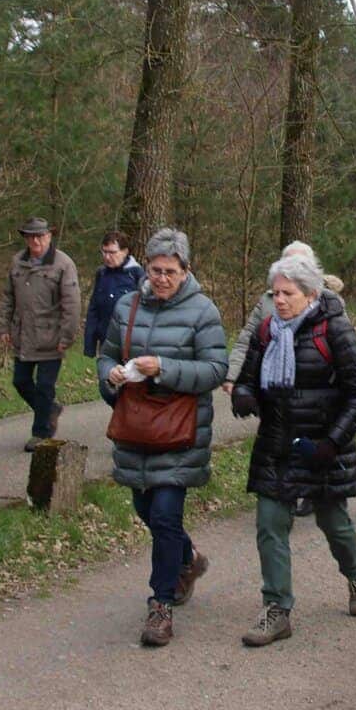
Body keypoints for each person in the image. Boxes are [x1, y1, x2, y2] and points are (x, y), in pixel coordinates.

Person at [229, 251, 356, 646]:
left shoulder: (335, 330)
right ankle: (276, 609)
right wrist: (243, 393)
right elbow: (248, 376)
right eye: (275, 293)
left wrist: (332, 442)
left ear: (310, 294)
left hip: (321, 447)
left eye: (287, 293)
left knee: (334, 523)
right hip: (276, 445)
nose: (278, 301)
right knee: (270, 525)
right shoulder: (267, 330)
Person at [97, 228, 228, 648]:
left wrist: (164, 369)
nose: (162, 278)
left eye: (171, 271)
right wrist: (110, 377)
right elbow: (106, 354)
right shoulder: (126, 306)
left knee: (166, 514)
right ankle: (188, 559)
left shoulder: (203, 310)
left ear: (186, 270)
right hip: (135, 430)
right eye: (155, 270)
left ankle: (160, 605)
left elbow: (214, 370)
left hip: (179, 431)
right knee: (146, 510)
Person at [0, 217, 81, 453]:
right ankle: (49, 410)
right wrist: (4, 328)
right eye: (30, 236)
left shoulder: (63, 264)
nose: (35, 240)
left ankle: (41, 433)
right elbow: (8, 298)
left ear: (49, 236)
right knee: (20, 381)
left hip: (51, 337)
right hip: (23, 334)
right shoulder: (17, 262)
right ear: (25, 238)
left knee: (45, 386)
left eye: (40, 236)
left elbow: (72, 304)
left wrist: (67, 336)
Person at [227, 241, 347, 383]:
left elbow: (348, 358)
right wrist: (232, 376)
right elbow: (246, 340)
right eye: (289, 263)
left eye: (301, 265)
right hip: (270, 386)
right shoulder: (267, 301)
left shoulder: (330, 304)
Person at [84, 230, 142, 358]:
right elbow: (94, 309)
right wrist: (90, 343)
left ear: (125, 251)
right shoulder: (102, 274)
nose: (107, 257)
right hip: (105, 340)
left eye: (112, 252)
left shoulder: (137, 275)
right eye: (104, 252)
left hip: (130, 343)